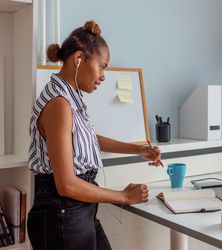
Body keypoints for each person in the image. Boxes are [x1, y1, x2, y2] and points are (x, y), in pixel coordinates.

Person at [27, 20, 163, 250]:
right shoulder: (59, 104)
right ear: (79, 59)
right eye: (102, 67)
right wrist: (123, 196)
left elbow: (90, 138)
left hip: (77, 210)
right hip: (63, 212)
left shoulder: (69, 98)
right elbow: (67, 184)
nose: (103, 76)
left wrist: (138, 149)